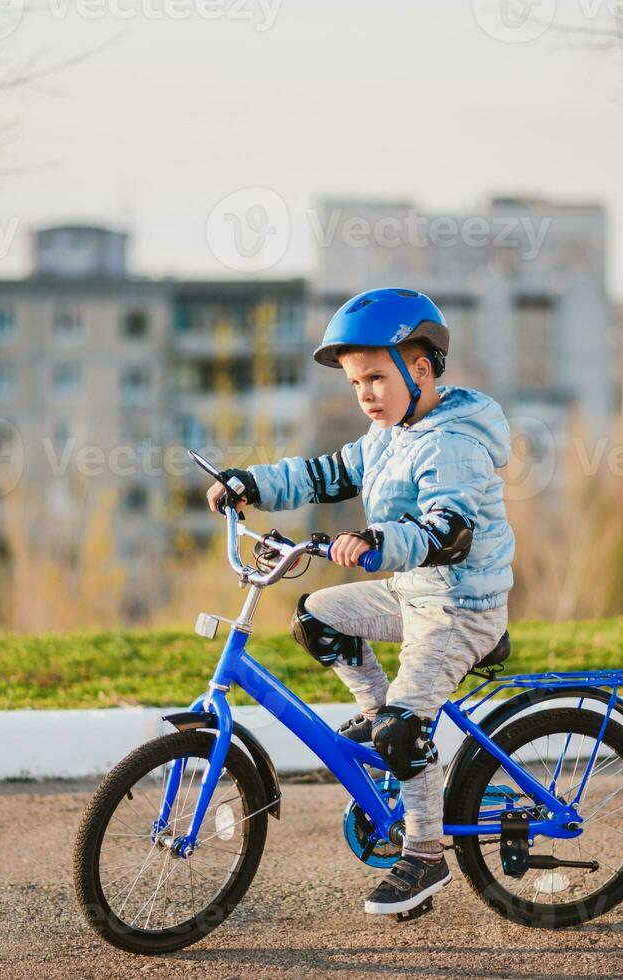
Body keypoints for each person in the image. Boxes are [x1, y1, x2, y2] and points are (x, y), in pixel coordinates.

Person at [204, 286, 514, 917]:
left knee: (405, 730)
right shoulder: (386, 436)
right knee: (317, 617)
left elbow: (448, 533)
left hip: (460, 606)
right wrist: (250, 483)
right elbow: (320, 474)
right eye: (355, 383)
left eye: (376, 376)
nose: (365, 393)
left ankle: (424, 854)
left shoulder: (450, 442)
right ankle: (381, 719)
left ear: (419, 368)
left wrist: (377, 542)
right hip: (414, 593)